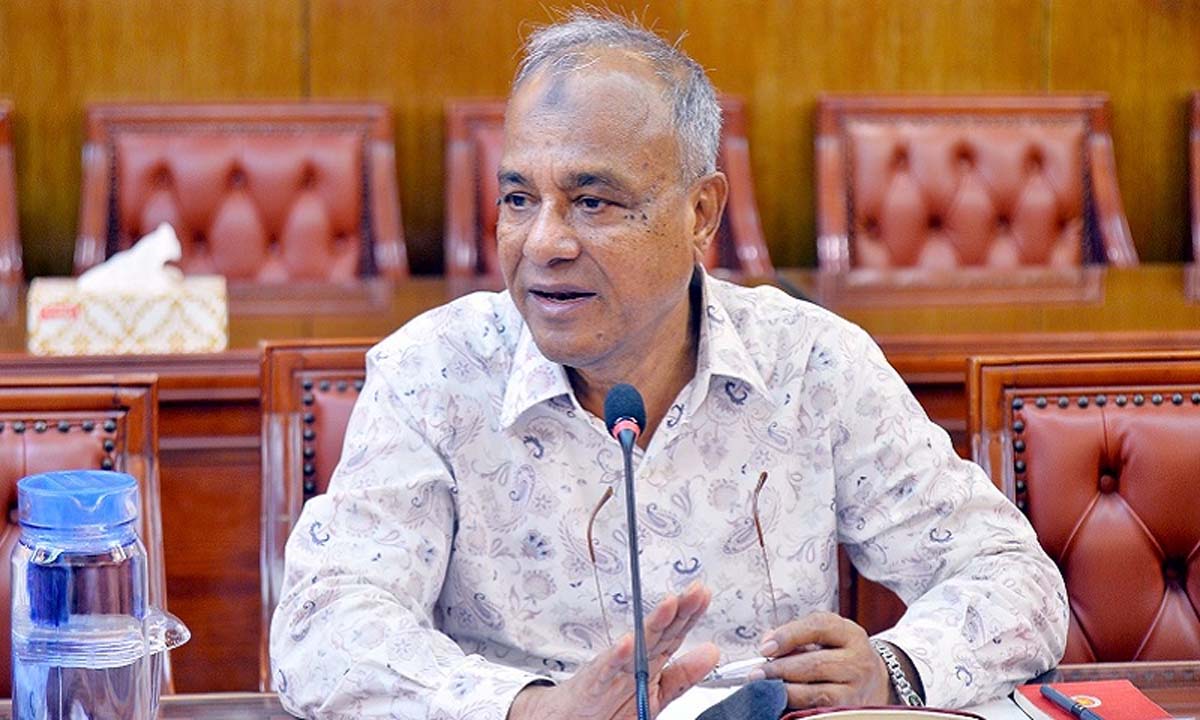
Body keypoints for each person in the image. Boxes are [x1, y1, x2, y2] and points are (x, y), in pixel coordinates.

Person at [270, 11, 1068, 720]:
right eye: (518, 199)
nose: (544, 242)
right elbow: (321, 626)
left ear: (701, 214)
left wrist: (894, 671)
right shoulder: (433, 374)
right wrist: (527, 709)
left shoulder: (811, 363)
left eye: (593, 202)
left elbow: (1010, 576)